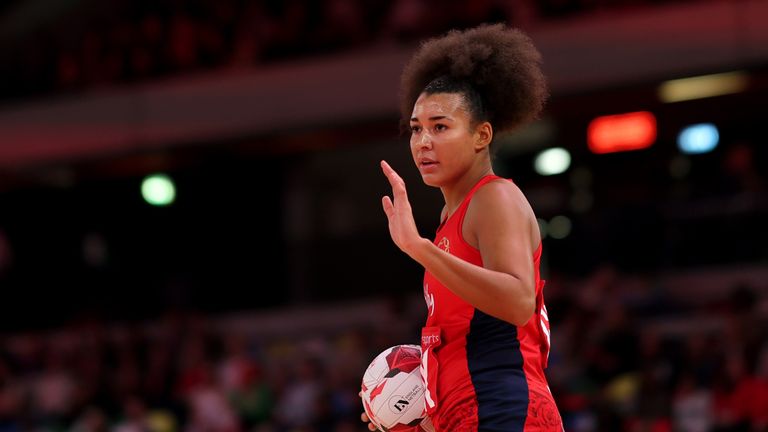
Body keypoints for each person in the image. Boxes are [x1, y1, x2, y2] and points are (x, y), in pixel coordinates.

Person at [361, 23, 563, 431]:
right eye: (417, 128)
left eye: (440, 126)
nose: (422, 141)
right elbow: (468, 344)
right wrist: (424, 420)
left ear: (481, 135)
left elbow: (518, 300)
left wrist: (419, 248)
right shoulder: (447, 222)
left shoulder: (495, 197)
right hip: (472, 413)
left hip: (507, 409)